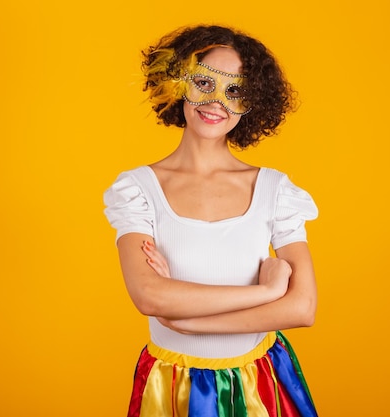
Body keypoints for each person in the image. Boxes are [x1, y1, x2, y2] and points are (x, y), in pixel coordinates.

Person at [103, 24, 319, 417]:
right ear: (176, 84)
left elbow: (302, 308)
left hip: (259, 383)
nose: (216, 100)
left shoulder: (274, 189)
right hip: (172, 386)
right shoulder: (138, 189)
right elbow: (149, 296)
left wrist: (186, 321)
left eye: (234, 90)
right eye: (204, 82)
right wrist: (267, 293)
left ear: (253, 102)